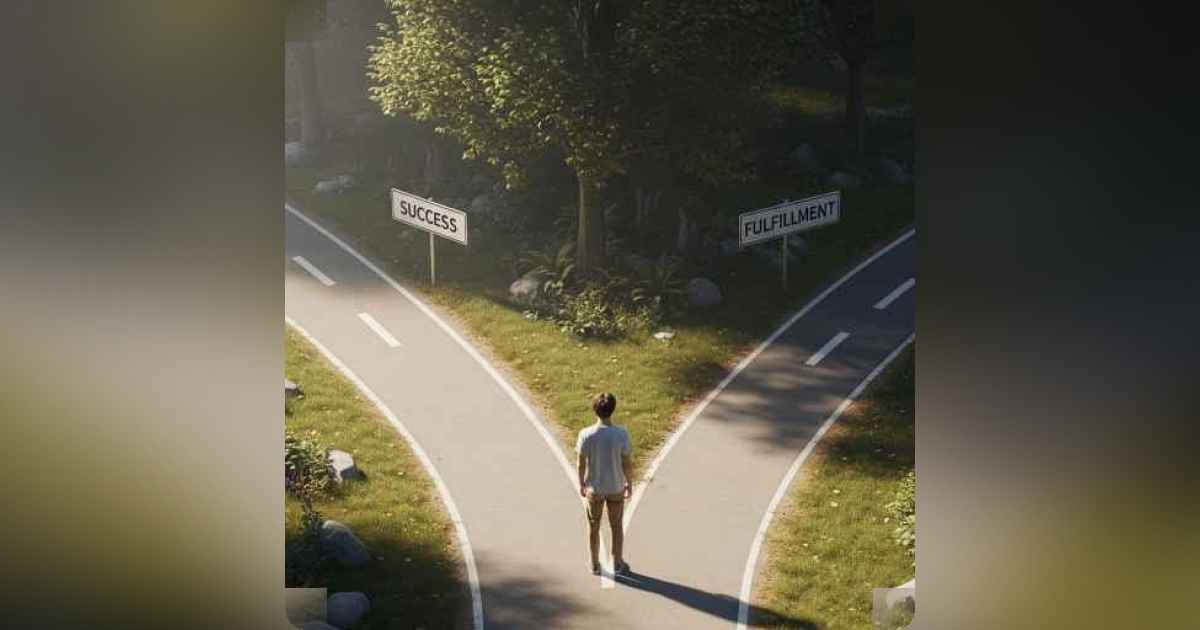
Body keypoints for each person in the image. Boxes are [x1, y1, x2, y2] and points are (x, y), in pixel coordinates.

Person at [576, 392, 633, 577]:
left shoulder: (586, 434)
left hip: (595, 488)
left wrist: (581, 483)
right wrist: (629, 482)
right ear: (612, 410)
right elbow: (626, 462)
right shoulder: (621, 434)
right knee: (616, 526)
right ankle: (617, 561)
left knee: (593, 526)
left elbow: (581, 462)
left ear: (595, 410)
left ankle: (594, 563)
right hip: (616, 487)